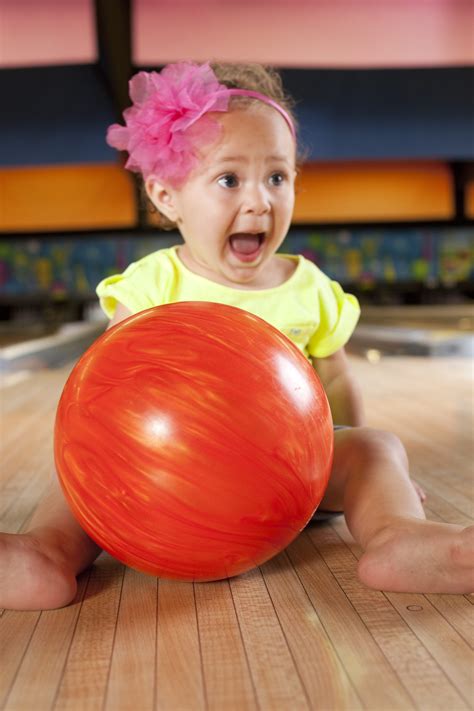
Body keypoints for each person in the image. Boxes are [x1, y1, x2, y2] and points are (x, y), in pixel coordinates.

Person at [1, 62, 472, 611]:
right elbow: (105, 396)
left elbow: (336, 382)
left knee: (375, 447)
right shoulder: (155, 283)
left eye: (277, 176)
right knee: (86, 468)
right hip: (164, 472)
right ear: (167, 196)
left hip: (287, 480)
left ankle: (396, 535)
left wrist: (368, 481)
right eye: (229, 179)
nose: (259, 201)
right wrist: (103, 460)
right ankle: (48, 554)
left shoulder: (309, 286)